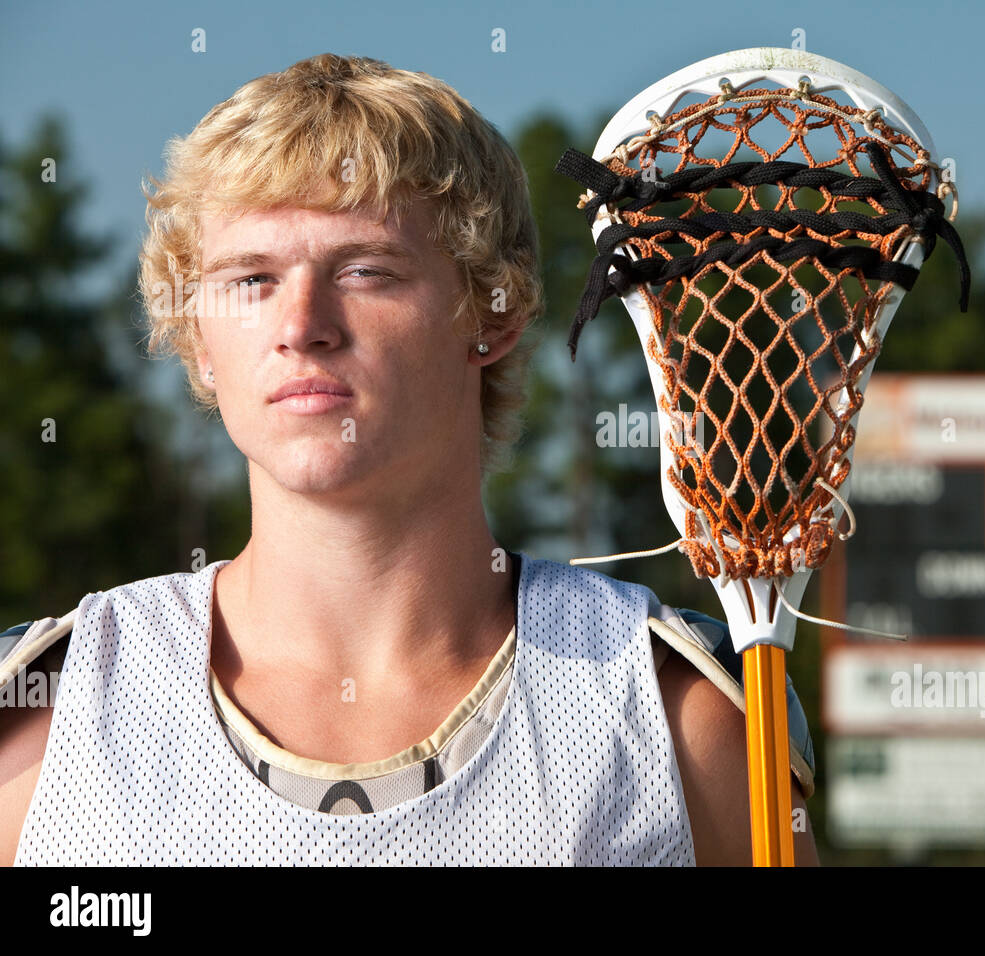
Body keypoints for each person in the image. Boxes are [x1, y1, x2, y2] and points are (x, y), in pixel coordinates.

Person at [0, 53, 816, 866]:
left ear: (490, 315)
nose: (302, 324)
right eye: (251, 278)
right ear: (199, 340)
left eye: (364, 270)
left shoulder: (679, 717)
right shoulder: (47, 713)